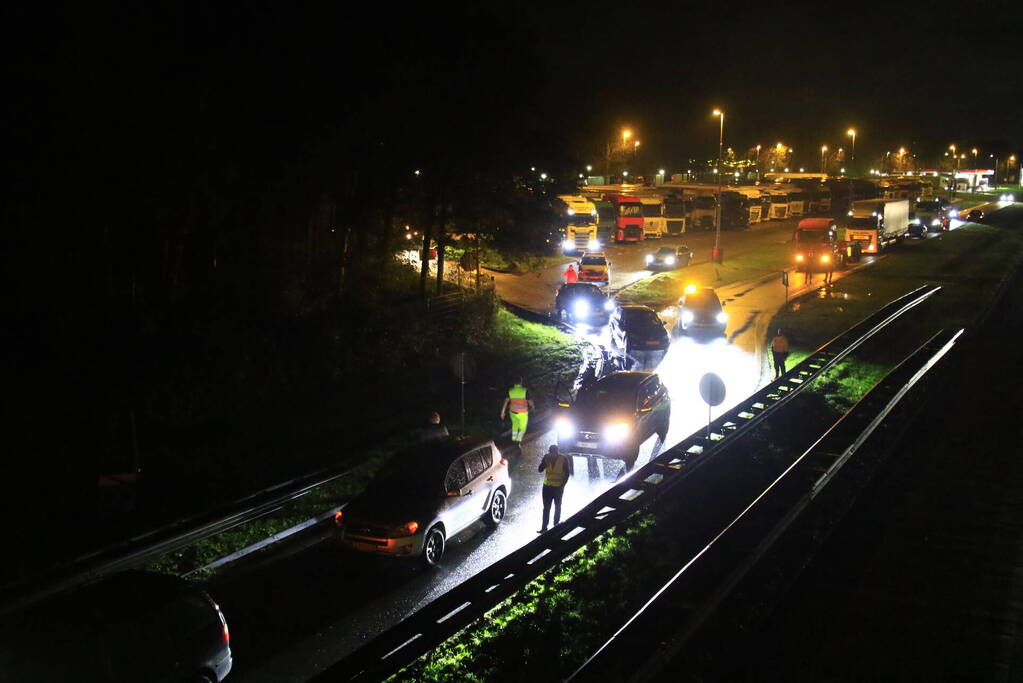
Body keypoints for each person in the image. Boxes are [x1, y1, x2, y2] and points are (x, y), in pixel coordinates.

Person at [538, 444, 573, 533]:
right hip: (547, 487)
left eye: (554, 453)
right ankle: (544, 528)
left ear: (557, 453)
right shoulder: (546, 457)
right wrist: (545, 462)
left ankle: (556, 527)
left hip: (558, 488)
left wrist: (562, 486)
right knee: (546, 508)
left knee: (557, 507)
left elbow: (567, 474)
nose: (552, 455)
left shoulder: (563, 459)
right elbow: (540, 470)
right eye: (551, 453)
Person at [500, 377, 535, 444]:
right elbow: (530, 401)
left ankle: (514, 440)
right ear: (521, 382)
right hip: (523, 413)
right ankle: (517, 441)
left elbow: (506, 402)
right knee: (522, 428)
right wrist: (533, 407)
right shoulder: (525, 390)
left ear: (514, 383)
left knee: (515, 426)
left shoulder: (510, 391)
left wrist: (502, 412)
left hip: (513, 412)